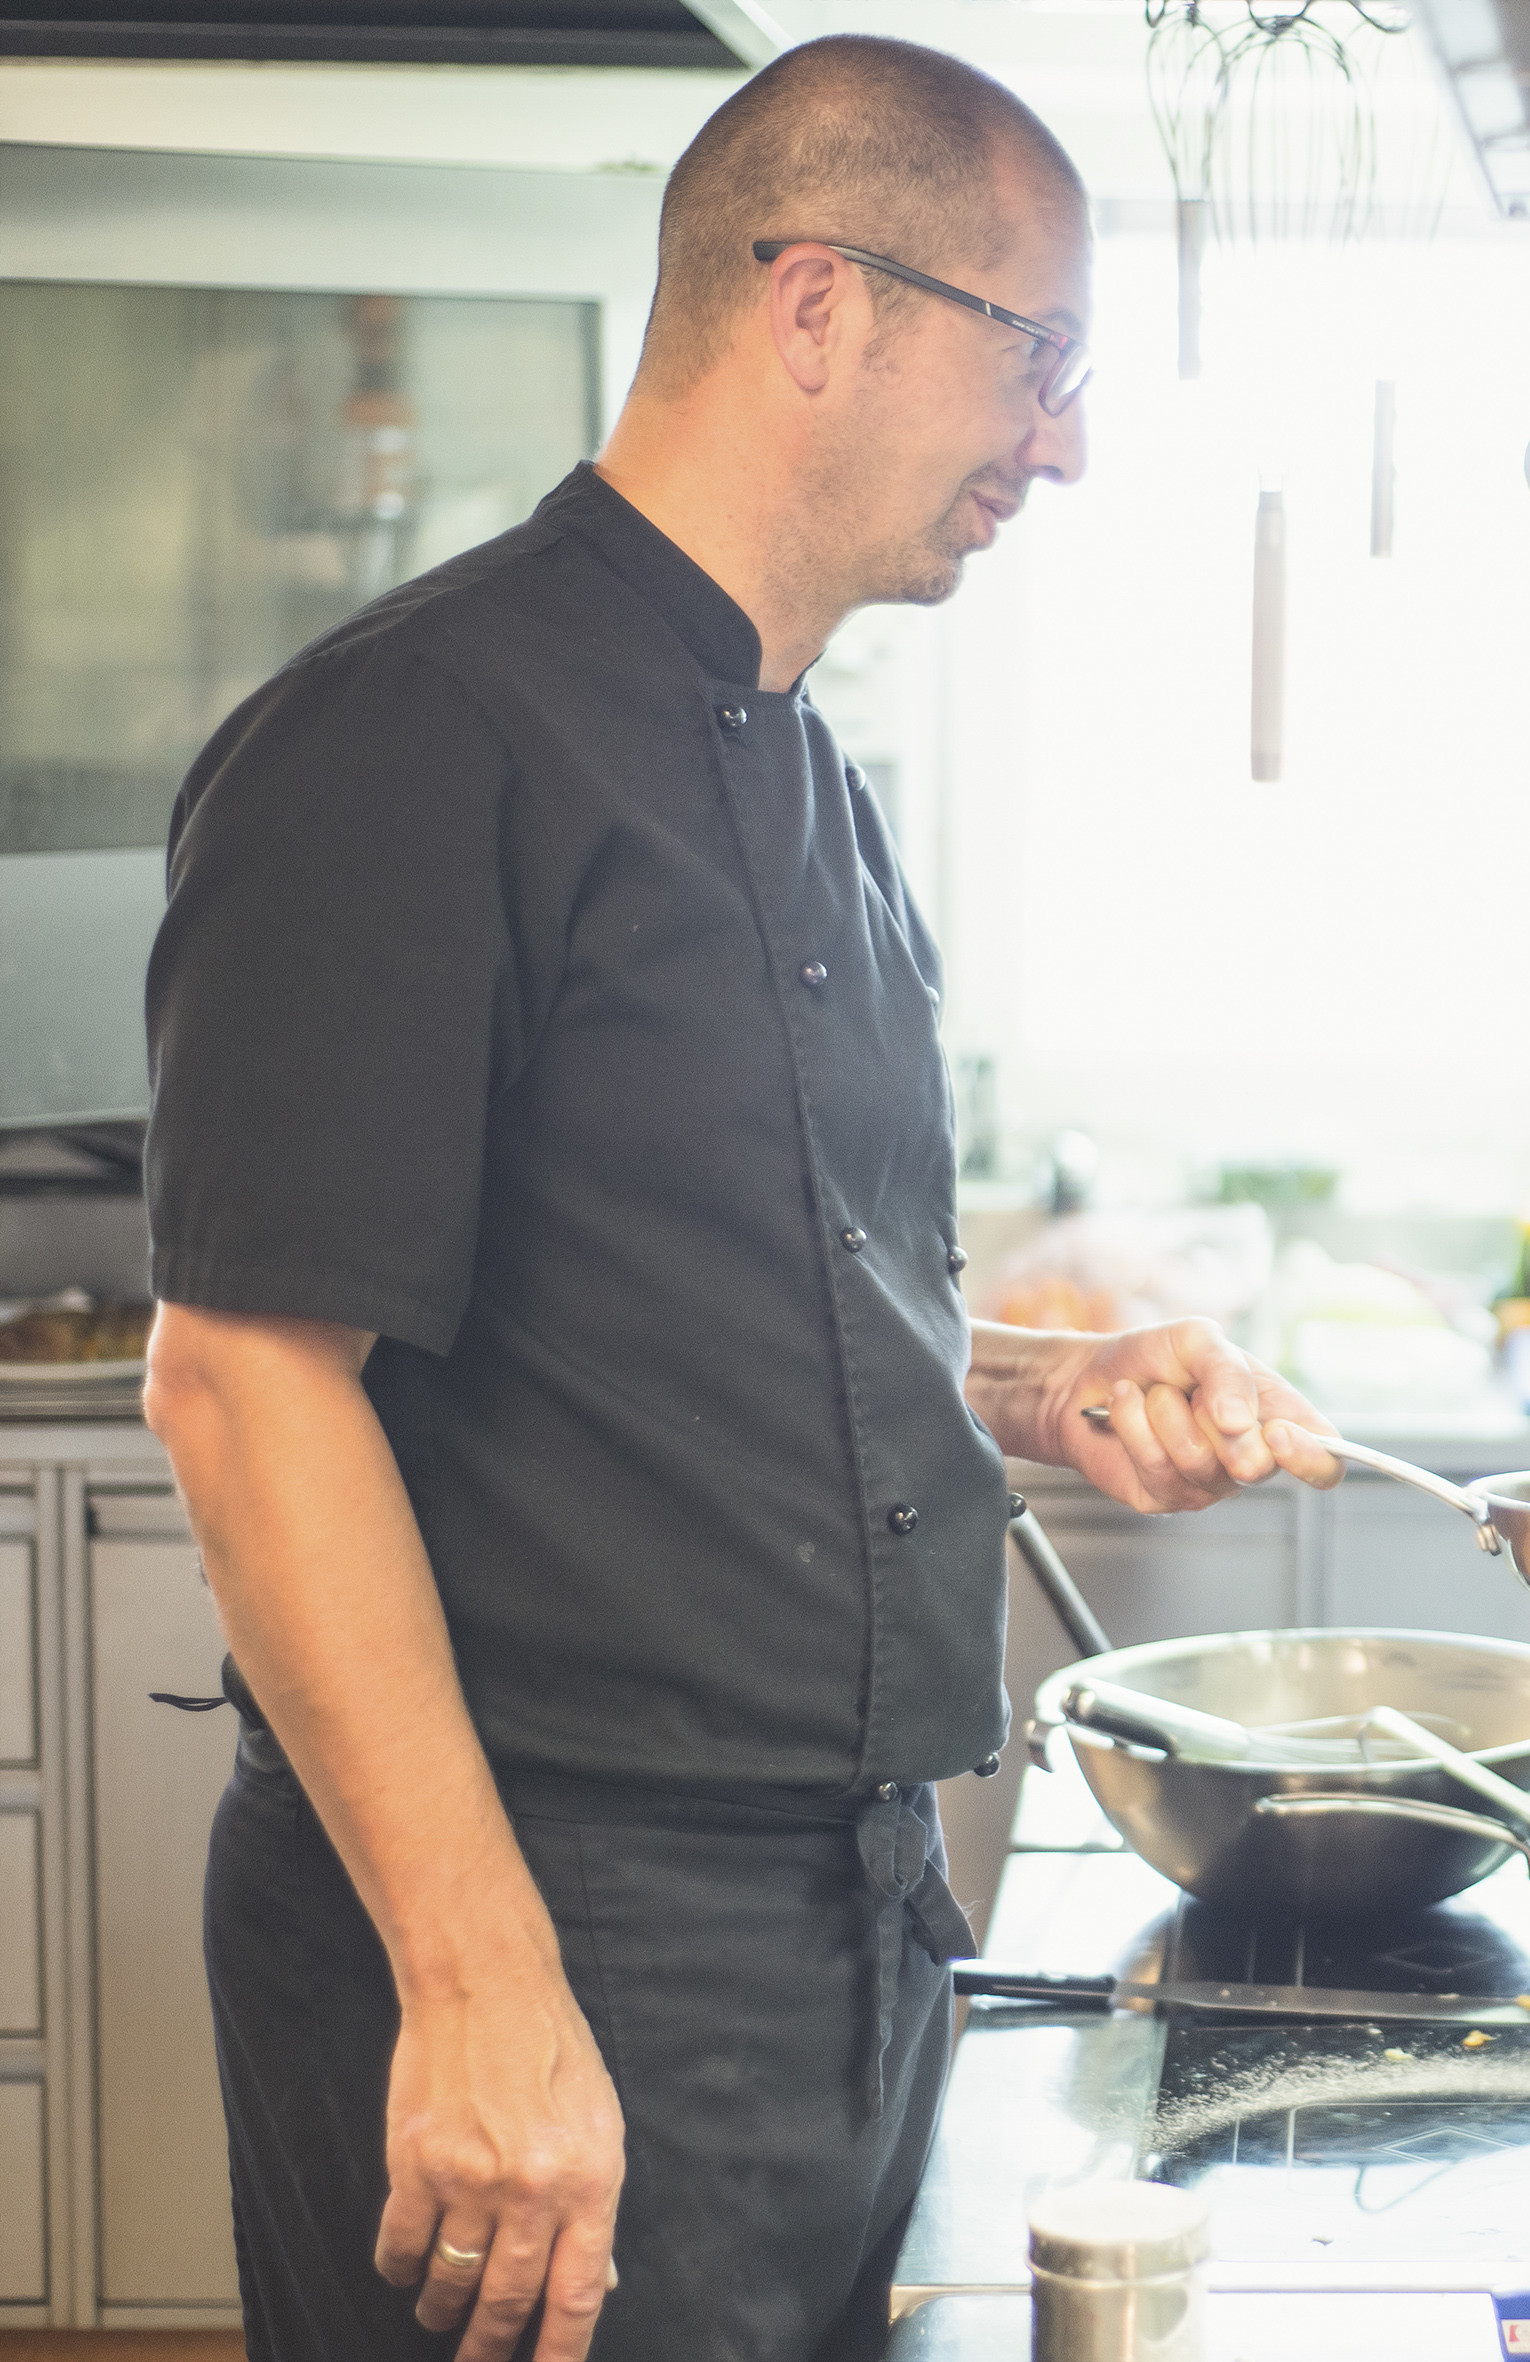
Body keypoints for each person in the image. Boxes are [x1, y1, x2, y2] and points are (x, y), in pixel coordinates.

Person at [139, 38, 1340, 2362]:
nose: (1064, 444)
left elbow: (722, 1291)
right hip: (544, 1918)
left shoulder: (806, 759)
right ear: (820, 305)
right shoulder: (412, 735)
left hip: (827, 1909)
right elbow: (245, 1383)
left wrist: (1041, 1382)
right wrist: (481, 1985)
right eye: (1045, 357)